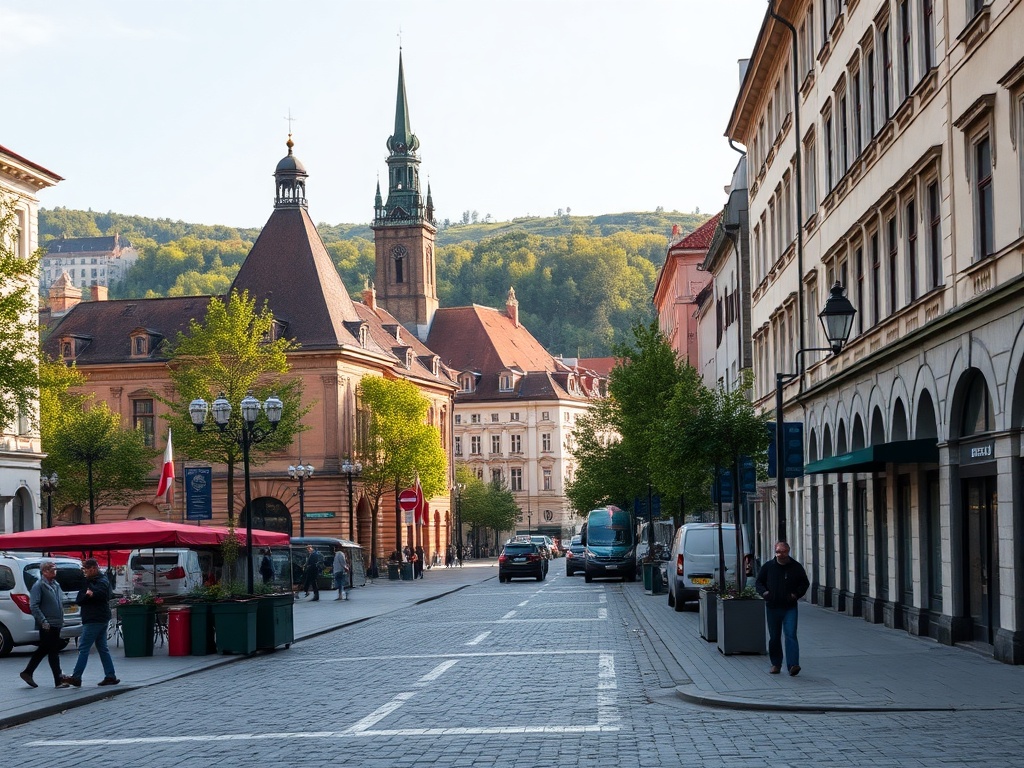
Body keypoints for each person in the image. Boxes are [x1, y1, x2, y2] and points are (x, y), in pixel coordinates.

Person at [755, 540, 810, 677]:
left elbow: (804, 583)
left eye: (783, 552)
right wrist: (765, 593)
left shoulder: (796, 567)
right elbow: (759, 582)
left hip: (789, 607)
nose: (780, 554)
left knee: (790, 635)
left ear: (788, 551)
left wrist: (795, 595)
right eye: (778, 552)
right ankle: (776, 664)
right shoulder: (768, 567)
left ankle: (793, 665)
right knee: (774, 637)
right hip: (772, 607)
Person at [67, 558, 118, 687]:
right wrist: (88, 595)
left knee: (83, 648)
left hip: (95, 618)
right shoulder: (88, 581)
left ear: (94, 568)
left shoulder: (102, 580)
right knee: (102, 648)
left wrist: (91, 594)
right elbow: (80, 599)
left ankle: (76, 677)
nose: (85, 573)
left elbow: (101, 595)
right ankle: (110, 675)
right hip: (96, 617)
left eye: (87, 570)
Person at [20, 561, 70, 689]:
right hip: (48, 624)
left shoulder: (56, 585)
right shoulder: (39, 585)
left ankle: (28, 672)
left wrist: (62, 618)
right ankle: (57, 680)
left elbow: (59, 603)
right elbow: (34, 605)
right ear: (44, 571)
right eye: (50, 569)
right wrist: (43, 621)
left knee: (45, 649)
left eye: (54, 569)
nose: (54, 571)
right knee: (52, 651)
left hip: (56, 623)